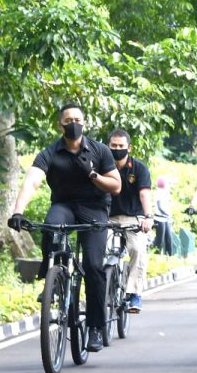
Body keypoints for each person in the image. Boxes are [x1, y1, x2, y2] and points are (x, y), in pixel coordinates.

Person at [8, 103, 121, 353]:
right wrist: (18, 211)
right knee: (50, 226)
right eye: (68, 120)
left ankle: (94, 327)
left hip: (94, 208)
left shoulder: (100, 151)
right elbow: (33, 180)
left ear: (85, 122)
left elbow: (116, 185)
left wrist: (92, 176)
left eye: (77, 119)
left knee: (93, 265)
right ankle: (52, 276)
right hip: (65, 205)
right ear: (60, 124)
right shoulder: (50, 153)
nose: (73, 124)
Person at [107, 129, 154, 313]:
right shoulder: (102, 166)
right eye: (113, 146)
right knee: (98, 251)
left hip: (133, 218)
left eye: (121, 146)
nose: (117, 149)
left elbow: (144, 194)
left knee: (137, 249)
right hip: (107, 218)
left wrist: (148, 217)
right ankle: (102, 290)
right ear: (108, 146)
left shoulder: (139, 168)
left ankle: (134, 293)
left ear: (129, 148)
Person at [153, 177, 174, 255]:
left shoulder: (166, 192)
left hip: (166, 219)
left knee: (169, 238)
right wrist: (167, 214)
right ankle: (156, 255)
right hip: (159, 218)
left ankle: (170, 256)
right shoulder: (158, 192)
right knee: (160, 239)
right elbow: (160, 206)